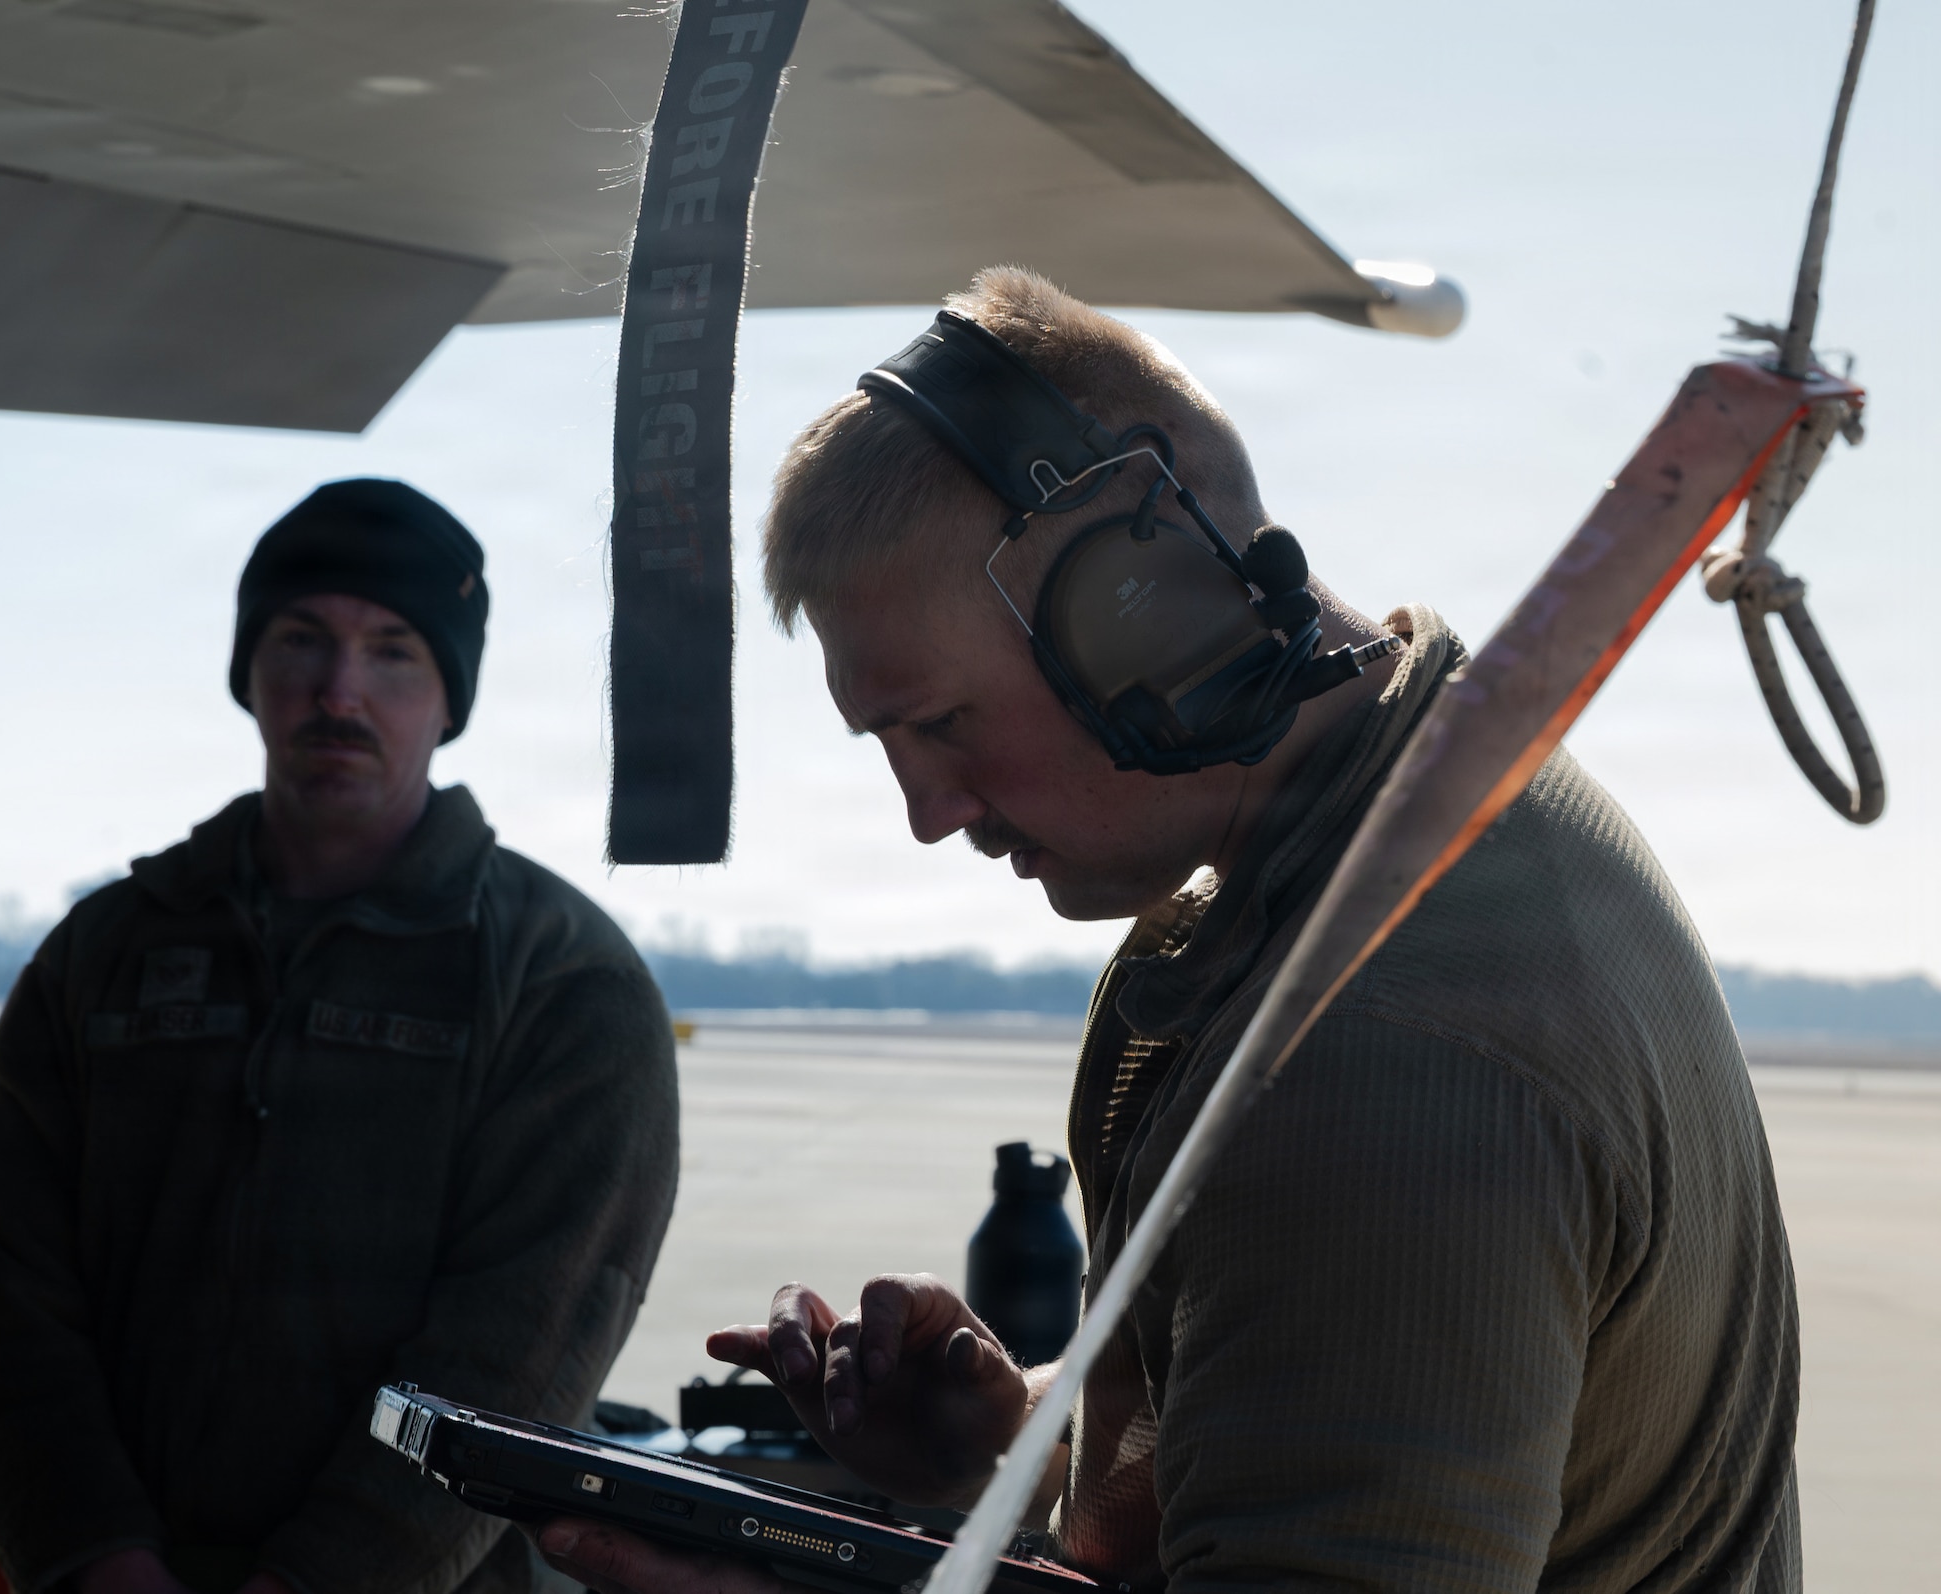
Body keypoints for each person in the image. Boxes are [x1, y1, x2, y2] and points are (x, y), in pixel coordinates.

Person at [535, 270, 1799, 1593]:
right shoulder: (1444, 814)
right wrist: (1025, 1441)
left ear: (1139, 602)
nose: (928, 811)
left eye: (940, 723)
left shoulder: (1383, 1049)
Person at [0, 480, 680, 1594]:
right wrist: (99, 1561)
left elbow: (520, 1347)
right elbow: (7, 1293)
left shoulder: (562, 980)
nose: (340, 690)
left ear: (449, 696)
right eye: (302, 640)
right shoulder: (99, 959)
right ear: (248, 671)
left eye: (392, 651)